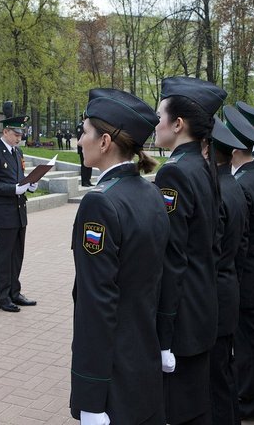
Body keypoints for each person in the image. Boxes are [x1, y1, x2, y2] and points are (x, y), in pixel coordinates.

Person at [70, 88, 169, 425]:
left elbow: (96, 305)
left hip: (115, 376)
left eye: (84, 132)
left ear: (104, 142)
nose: (79, 141)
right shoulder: (151, 192)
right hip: (143, 360)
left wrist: (91, 396)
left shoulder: (100, 203)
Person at [154, 76, 224, 425]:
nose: (155, 124)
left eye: (159, 116)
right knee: (196, 406)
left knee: (181, 411)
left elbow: (172, 259)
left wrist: (164, 332)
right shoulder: (202, 165)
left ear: (177, 124)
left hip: (182, 317)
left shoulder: (175, 173)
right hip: (202, 306)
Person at [221, 106, 254, 421]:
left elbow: (238, 240)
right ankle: (253, 396)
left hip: (249, 274)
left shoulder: (241, 183)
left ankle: (249, 401)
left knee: (249, 341)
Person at [207, 115, 248, 425]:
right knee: (224, 369)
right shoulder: (233, 185)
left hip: (216, 295)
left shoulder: (217, 192)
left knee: (216, 377)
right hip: (229, 286)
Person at [0, 115, 38, 313]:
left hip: (19, 211)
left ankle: (15, 292)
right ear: (5, 132)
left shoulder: (17, 151)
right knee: (4, 257)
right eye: (16, 134)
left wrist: (30, 184)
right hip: (4, 212)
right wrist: (12, 189)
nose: (19, 137)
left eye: (21, 134)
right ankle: (3, 297)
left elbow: (19, 177)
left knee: (17, 255)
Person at [76, 122, 93, 186]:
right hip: (83, 149)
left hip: (89, 148)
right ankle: (84, 181)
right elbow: (80, 138)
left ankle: (88, 180)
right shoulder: (80, 126)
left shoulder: (89, 125)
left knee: (90, 164)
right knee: (84, 165)